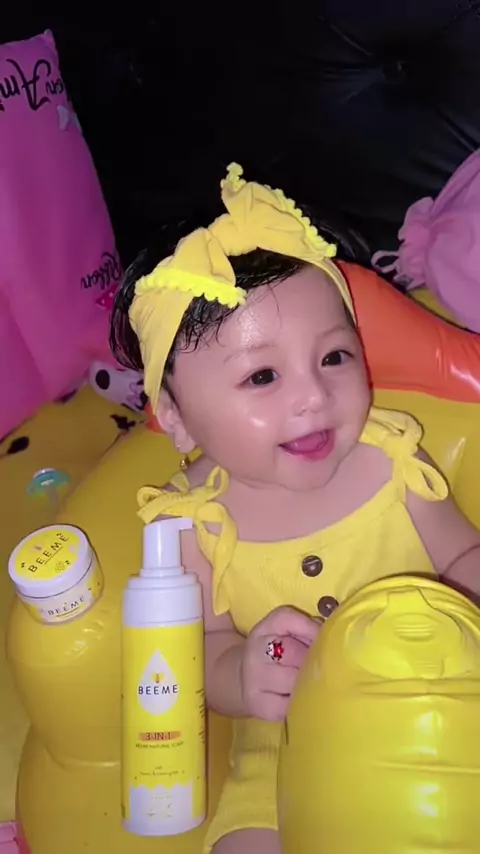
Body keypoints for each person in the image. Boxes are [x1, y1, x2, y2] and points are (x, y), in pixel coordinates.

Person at [110, 164, 480, 854]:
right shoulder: (190, 525)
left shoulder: (391, 461)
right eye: (263, 375)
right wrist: (242, 674)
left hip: (436, 709)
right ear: (178, 419)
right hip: (281, 748)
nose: (314, 397)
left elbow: (462, 555)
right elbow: (202, 650)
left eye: (335, 357)